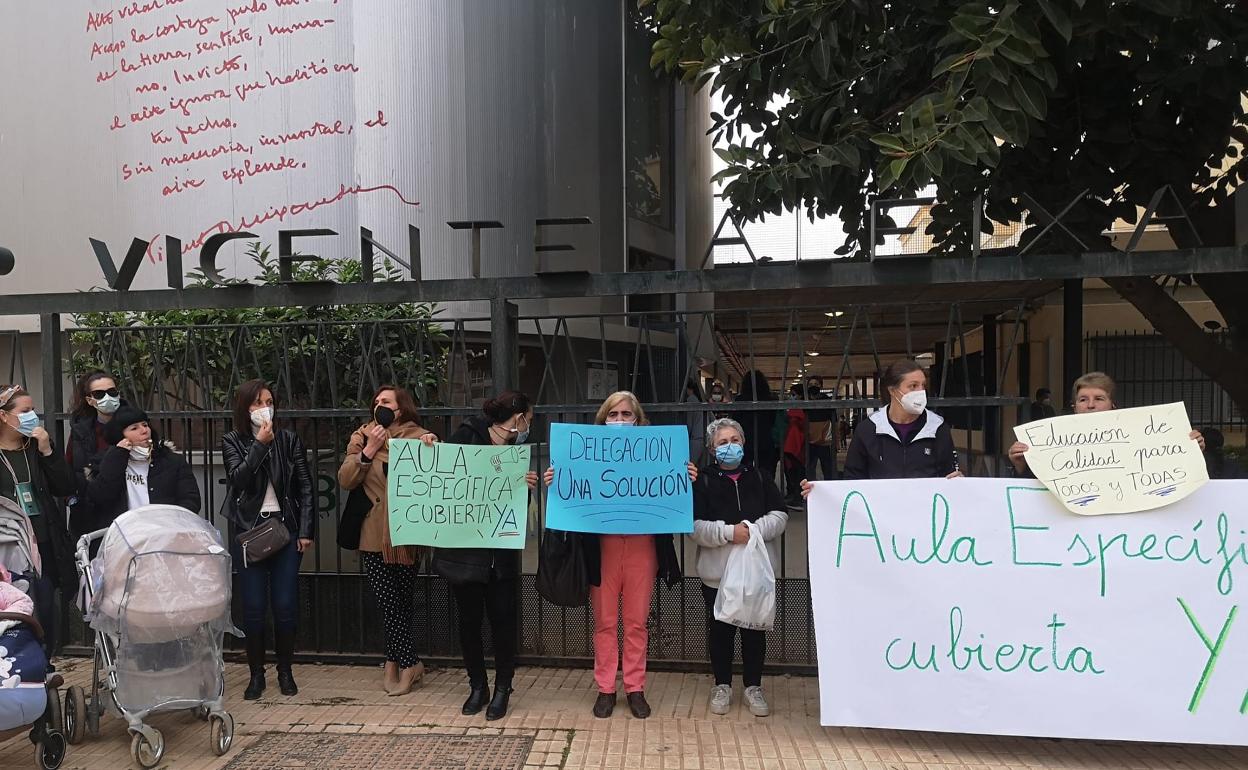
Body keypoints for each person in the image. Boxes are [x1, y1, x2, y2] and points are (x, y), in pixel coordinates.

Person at [543, 391, 692, 720]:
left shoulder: (657, 458)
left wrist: (686, 479)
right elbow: (570, 499)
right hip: (603, 550)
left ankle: (635, 687)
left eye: (627, 414)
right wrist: (555, 481)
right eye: (614, 415)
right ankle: (606, 688)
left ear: (639, 420)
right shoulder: (587, 457)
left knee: (637, 623)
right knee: (605, 622)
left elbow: (673, 497)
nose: (621, 420)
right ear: (603, 420)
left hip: (643, 548)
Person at [432, 390, 538, 721]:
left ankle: (503, 687)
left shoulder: (516, 451)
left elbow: (517, 509)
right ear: (518, 417)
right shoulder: (465, 437)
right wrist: (426, 445)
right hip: (466, 554)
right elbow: (440, 477)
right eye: (528, 420)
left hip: (501, 558)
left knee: (503, 623)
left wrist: (526, 489)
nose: (528, 427)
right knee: (468, 623)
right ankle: (477, 685)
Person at [338, 385, 437, 697]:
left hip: (406, 537)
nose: (379, 404)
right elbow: (345, 479)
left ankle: (392, 660)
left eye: (386, 401)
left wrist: (431, 447)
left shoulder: (418, 435)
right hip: (372, 534)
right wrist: (368, 451)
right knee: (388, 603)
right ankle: (410, 662)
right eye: (376, 400)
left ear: (401, 408)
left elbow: (435, 476)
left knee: (402, 603)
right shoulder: (362, 436)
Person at [222, 380, 315, 700]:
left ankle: (285, 671)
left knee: (285, 604)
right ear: (245, 407)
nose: (265, 407)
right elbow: (239, 480)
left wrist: (305, 531)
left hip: (285, 531)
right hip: (251, 532)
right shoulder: (233, 440)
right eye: (257, 402)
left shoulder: (289, 440)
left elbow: (305, 486)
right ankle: (256, 674)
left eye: (269, 401)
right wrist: (260, 444)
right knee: (253, 607)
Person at [691, 417, 787, 718]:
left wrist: (753, 530)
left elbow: (780, 515)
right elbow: (694, 527)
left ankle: (753, 686)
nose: (729, 446)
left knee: (754, 630)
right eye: (722, 442)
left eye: (734, 440)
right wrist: (729, 533)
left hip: (756, 572)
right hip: (717, 575)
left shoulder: (759, 477)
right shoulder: (703, 481)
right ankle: (722, 684)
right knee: (720, 631)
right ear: (711, 448)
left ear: (743, 443)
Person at [1008, 372, 1204, 476]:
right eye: (1083, 399)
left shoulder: (1141, 437)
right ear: (1074, 406)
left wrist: (1193, 451)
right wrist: (1021, 467)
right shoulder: (1051, 441)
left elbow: (1167, 472)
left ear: (1113, 406)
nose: (1091, 405)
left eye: (1099, 398)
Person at [0, 385, 75, 657]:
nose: (33, 416)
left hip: (42, 543)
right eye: (26, 411)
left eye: (34, 410)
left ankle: (43, 664)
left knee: (45, 607)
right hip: (6, 545)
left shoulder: (35, 446)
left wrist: (47, 451)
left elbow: (65, 486)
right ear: (4, 416)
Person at [810, 359, 962, 484]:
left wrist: (957, 481)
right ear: (892, 390)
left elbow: (948, 475)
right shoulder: (868, 429)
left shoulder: (937, 428)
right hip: (879, 517)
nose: (920, 392)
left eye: (923, 386)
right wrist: (819, 493)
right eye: (913, 386)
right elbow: (853, 479)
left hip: (926, 516)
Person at [83, 405, 201, 532]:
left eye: (145, 425)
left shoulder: (172, 460)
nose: (144, 431)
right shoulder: (106, 462)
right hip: (122, 536)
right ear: (120, 435)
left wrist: (171, 523)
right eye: (134, 428)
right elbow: (99, 498)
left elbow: (190, 499)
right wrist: (117, 457)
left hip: (166, 533)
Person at [65, 370, 124, 537]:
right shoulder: (80, 430)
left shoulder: (134, 425)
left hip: (125, 509)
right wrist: (72, 500)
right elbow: (69, 467)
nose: (108, 397)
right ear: (90, 400)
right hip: (88, 512)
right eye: (99, 394)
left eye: (112, 392)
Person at [734, 371, 780, 483]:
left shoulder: (740, 400)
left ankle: (746, 492)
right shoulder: (771, 399)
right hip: (765, 438)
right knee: (766, 470)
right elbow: (773, 420)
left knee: (744, 470)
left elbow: (735, 420)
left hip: (745, 439)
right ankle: (766, 493)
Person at [804, 375, 837, 482]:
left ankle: (829, 490)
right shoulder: (804, 400)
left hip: (824, 440)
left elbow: (834, 420)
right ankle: (811, 493)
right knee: (809, 468)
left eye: (816, 384)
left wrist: (835, 439)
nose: (813, 386)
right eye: (811, 384)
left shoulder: (827, 400)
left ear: (821, 386)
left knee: (828, 468)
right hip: (808, 440)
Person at [781, 385, 809, 506]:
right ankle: (796, 496)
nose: (791, 397)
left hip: (795, 444)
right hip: (793, 443)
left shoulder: (797, 410)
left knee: (796, 472)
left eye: (793, 394)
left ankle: (798, 498)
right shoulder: (798, 409)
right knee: (794, 471)